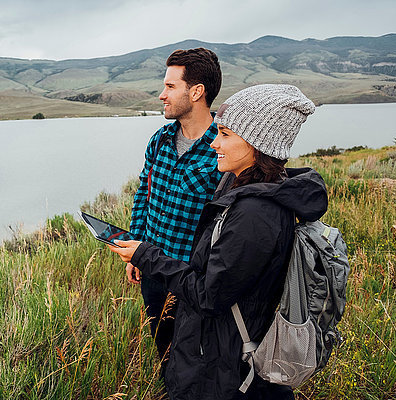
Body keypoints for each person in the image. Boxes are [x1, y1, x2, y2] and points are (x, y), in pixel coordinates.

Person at [111, 84, 327, 399]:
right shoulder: (242, 187)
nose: (214, 144)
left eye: (225, 134)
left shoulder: (256, 214)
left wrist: (146, 255)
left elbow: (210, 295)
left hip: (226, 369)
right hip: (217, 352)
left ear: (258, 144)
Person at [129, 48, 223, 362]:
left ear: (196, 92)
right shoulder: (159, 140)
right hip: (153, 270)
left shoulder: (222, 149)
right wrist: (136, 249)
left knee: (197, 360)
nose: (161, 95)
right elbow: (144, 193)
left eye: (170, 87)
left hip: (193, 280)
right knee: (163, 352)